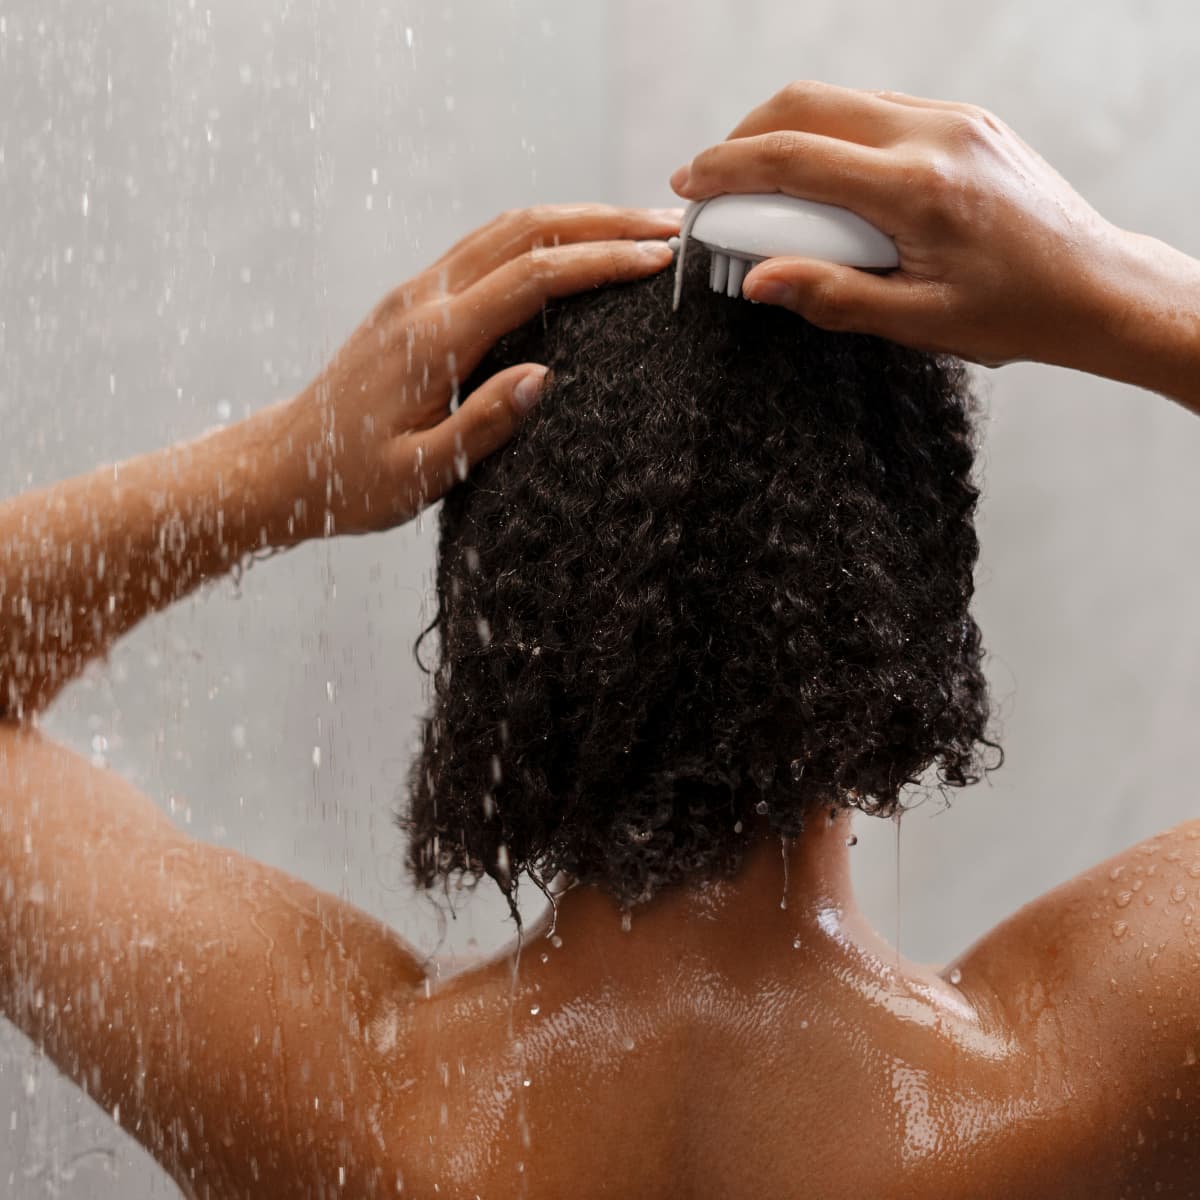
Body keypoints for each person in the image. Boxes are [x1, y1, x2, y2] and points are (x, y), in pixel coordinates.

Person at [0, 81, 1196, 1199]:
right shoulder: (1066, 1092)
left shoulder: (343, 1107)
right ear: (911, 595)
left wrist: (282, 467)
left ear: (497, 602)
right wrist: (1120, 289)